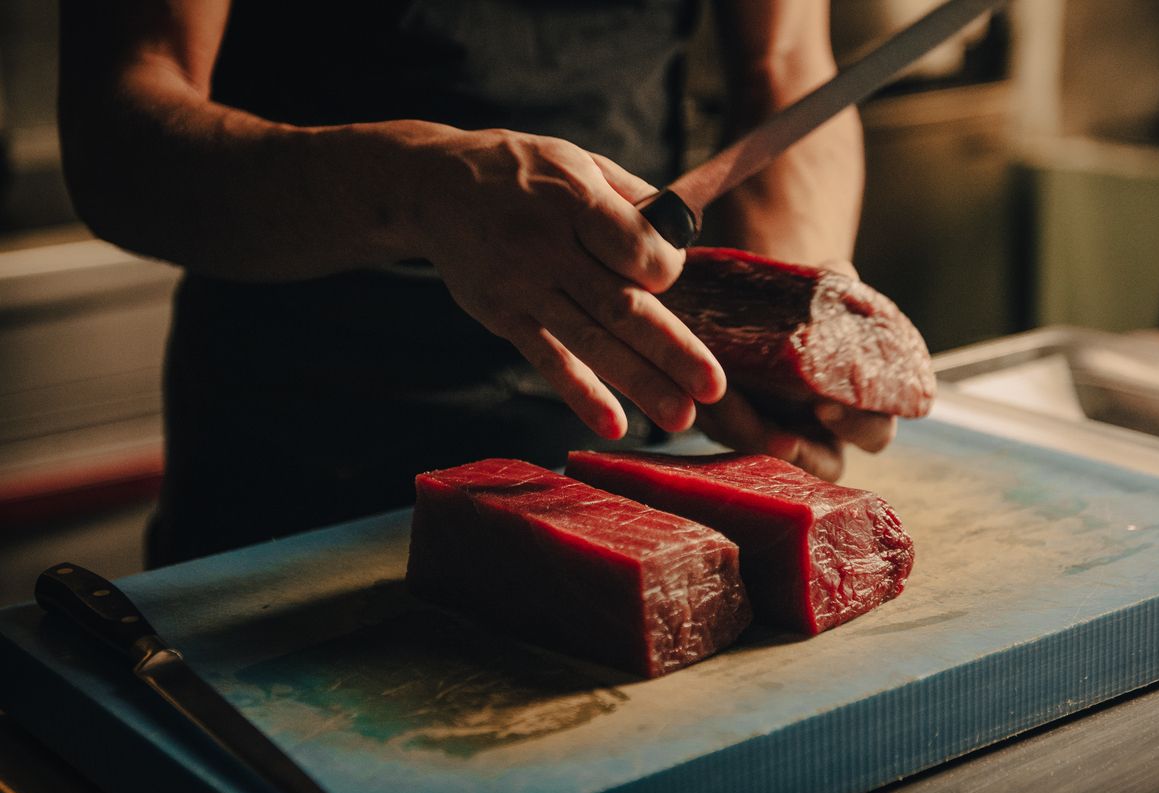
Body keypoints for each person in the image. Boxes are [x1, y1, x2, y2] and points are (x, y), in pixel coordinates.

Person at [58, 1, 894, 566]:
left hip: (618, 426)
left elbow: (785, 66)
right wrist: (420, 189)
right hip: (296, 446)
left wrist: (771, 329)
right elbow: (118, 136)